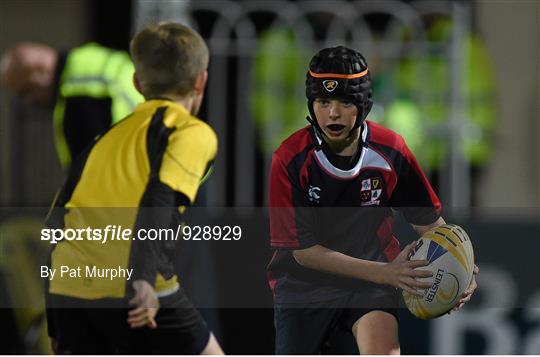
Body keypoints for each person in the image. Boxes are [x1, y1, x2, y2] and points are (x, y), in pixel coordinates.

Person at [267, 46, 479, 354]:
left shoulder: (391, 150)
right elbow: (305, 253)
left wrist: (464, 268)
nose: (333, 113)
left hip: (371, 284)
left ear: (363, 103)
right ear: (311, 105)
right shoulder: (290, 159)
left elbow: (431, 226)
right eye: (323, 102)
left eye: (344, 102)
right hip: (304, 287)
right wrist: (385, 272)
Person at [44, 22, 223, 354]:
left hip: (70, 295)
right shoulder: (191, 132)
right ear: (201, 80)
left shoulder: (100, 142)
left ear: (138, 83)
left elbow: (55, 223)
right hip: (137, 286)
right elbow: (161, 201)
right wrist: (143, 280)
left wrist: (55, 321)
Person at [0, 42, 143, 169]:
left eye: (25, 91)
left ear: (40, 70)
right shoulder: (91, 58)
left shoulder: (75, 94)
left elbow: (90, 175)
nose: (28, 101)